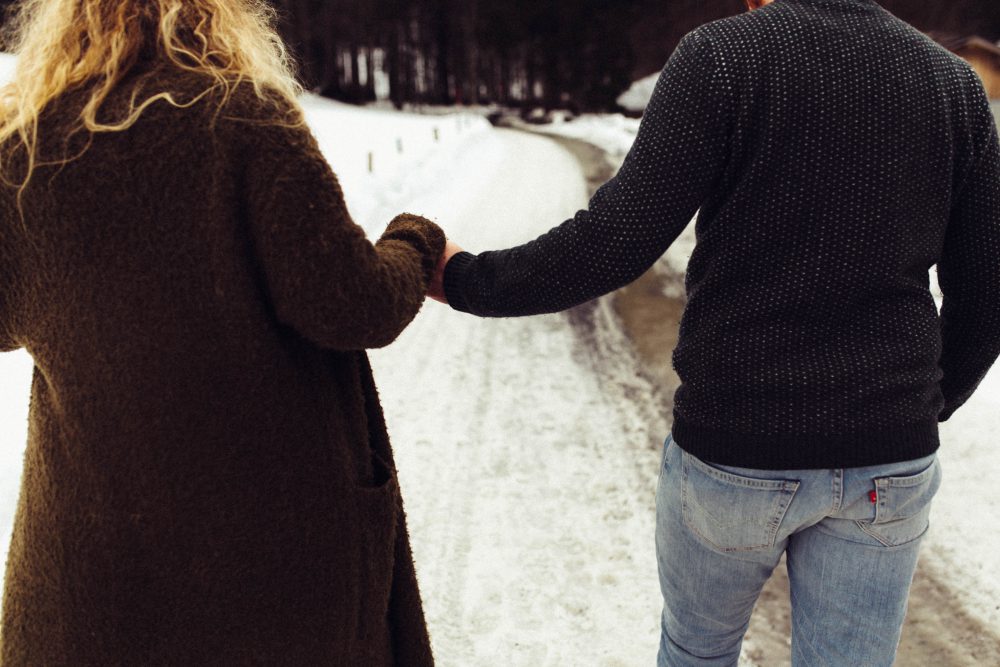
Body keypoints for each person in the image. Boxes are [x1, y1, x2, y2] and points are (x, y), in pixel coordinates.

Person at [430, 0, 1000, 664]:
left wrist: (467, 280)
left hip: (737, 447)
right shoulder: (952, 83)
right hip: (888, 462)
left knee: (697, 652)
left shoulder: (724, 57)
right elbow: (987, 288)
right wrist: (914, 408)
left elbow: (615, 240)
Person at [0, 1, 443, 664]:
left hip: (89, 587)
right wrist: (415, 241)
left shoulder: (24, 149)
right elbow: (355, 303)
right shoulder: (243, 119)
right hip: (269, 573)